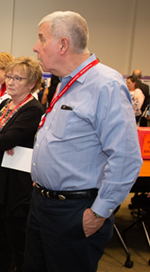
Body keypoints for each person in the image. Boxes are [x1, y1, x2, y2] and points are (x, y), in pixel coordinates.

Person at [25, 11, 142, 272]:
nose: (36, 47)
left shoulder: (104, 84)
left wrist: (98, 212)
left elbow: (125, 158)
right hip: (43, 203)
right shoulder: (65, 83)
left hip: (74, 211)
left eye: (42, 39)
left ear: (63, 44)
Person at [0, 56, 44, 271]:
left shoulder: (32, 110)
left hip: (17, 187)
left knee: (17, 242)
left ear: (32, 83)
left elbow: (3, 140)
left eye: (18, 78)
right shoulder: (6, 104)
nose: (11, 82)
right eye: (9, 76)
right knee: (1, 239)